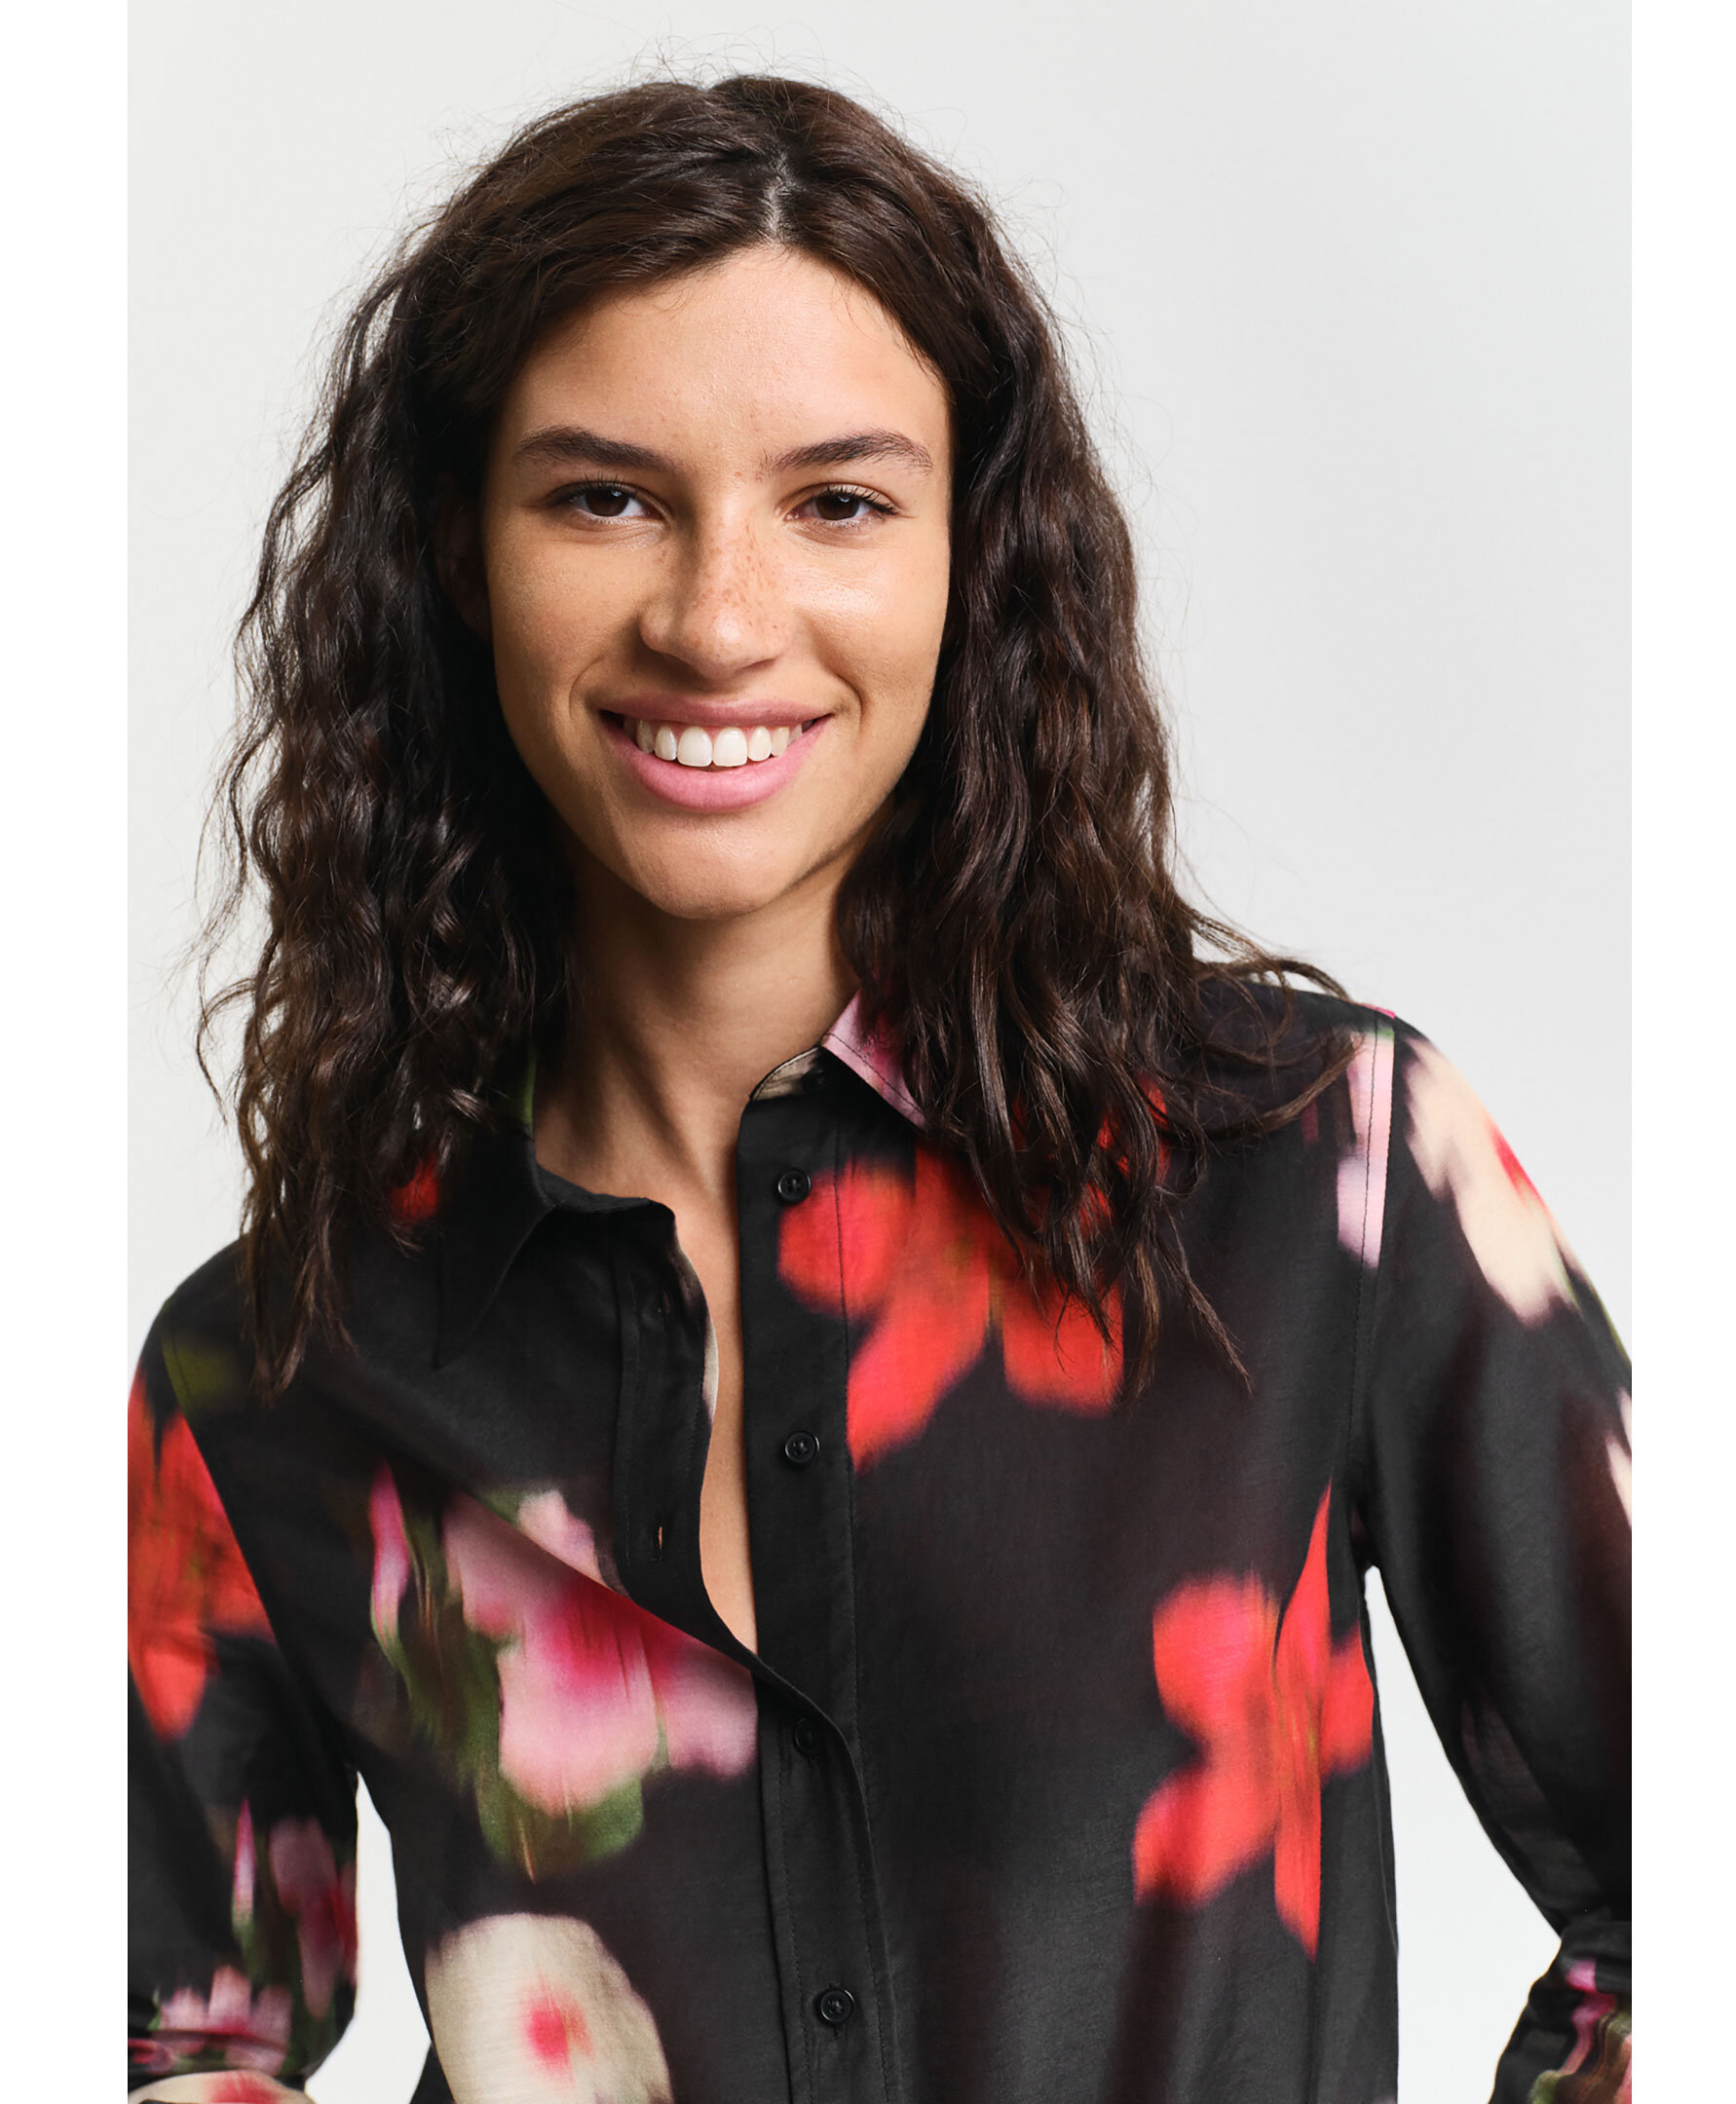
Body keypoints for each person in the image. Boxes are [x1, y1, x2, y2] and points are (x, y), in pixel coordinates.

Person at [127, 74, 1631, 2104]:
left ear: (968, 557)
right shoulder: (279, 1365)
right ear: (459, 555)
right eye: (603, 497)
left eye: (837, 502)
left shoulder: (1318, 1179)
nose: (717, 621)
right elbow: (165, 2038)